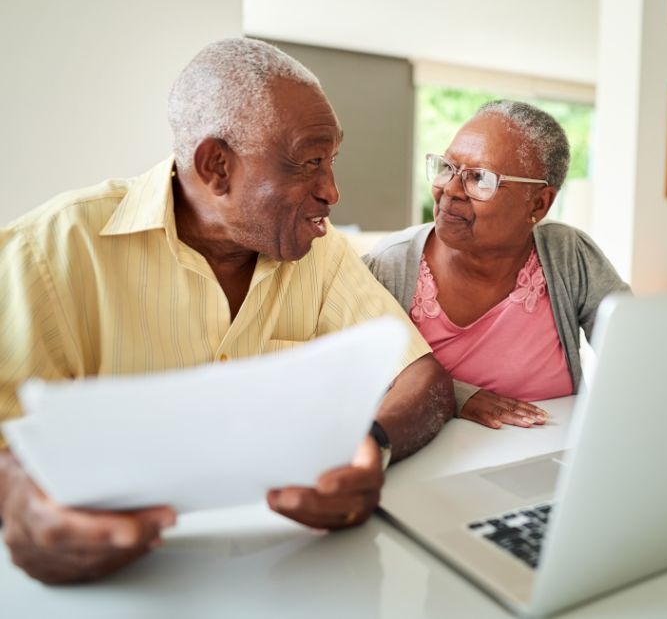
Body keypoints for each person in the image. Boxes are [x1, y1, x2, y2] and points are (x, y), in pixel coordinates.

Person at [0, 38, 454, 584]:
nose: (332, 191)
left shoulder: (318, 248)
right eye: (309, 162)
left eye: (332, 161)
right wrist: (18, 505)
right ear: (216, 166)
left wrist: (371, 445)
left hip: (291, 575)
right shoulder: (47, 251)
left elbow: (422, 377)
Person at [364, 101, 630, 430]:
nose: (450, 189)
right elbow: (360, 374)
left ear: (539, 203)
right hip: (431, 465)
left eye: (479, 178)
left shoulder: (568, 254)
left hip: (550, 457)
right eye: (448, 166)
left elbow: (637, 352)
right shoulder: (390, 264)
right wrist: (458, 396)